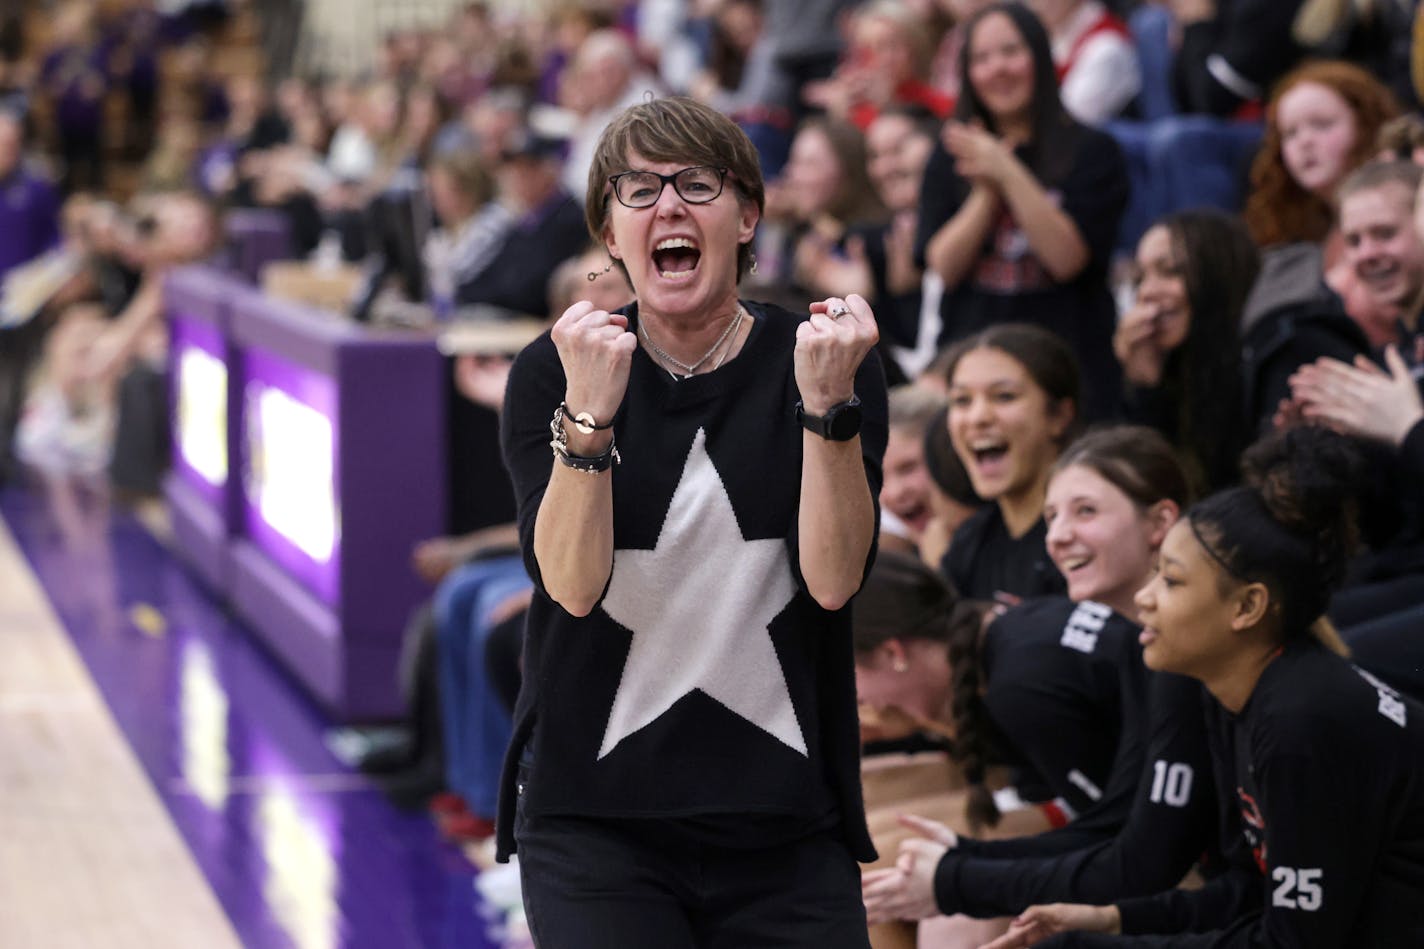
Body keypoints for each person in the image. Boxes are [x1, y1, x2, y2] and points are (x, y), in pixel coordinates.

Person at [496, 95, 889, 947]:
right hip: (595, 824)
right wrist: (590, 419)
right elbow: (569, 582)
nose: (668, 205)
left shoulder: (824, 360)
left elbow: (833, 580)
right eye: (637, 189)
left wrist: (828, 410)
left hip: (786, 826)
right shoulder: (552, 371)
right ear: (608, 230)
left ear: (748, 215)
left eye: (696, 183)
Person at [979, 427, 1424, 947]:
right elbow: (1252, 890)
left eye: (1170, 580)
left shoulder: (1299, 720)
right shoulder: (1240, 693)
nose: (1145, 597)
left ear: (1247, 607)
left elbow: (1291, 944)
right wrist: (1109, 921)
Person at [862, 427, 1217, 936]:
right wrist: (963, 860)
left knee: (948, 915)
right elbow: (1120, 823)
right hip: (1183, 868)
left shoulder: (1183, 660)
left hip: (1229, 892)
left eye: (1085, 512)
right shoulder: (1150, 654)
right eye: (1052, 517)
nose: (1058, 535)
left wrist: (958, 878)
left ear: (1161, 521)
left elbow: (1138, 853)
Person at [915, 1, 1127, 421]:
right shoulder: (950, 155)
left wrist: (1007, 171)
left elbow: (1067, 260)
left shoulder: (1093, 152)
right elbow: (943, 265)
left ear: (1041, 57)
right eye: (981, 58)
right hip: (970, 357)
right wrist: (985, 193)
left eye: (1011, 52)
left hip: (1066, 366)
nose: (998, 69)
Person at [1113, 210, 1259, 492]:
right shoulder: (1173, 367)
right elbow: (1150, 486)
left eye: (1170, 271)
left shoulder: (1260, 362)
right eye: (1140, 277)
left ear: (1217, 273)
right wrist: (1144, 386)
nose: (1147, 292)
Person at [939, 323, 1077, 602]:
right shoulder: (969, 543)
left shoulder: (1085, 537)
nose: (978, 417)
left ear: (1060, 416)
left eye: (1004, 396)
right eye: (962, 400)